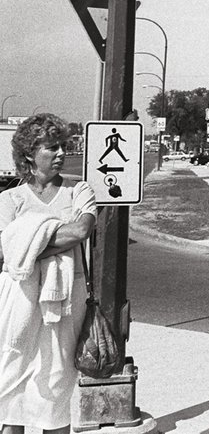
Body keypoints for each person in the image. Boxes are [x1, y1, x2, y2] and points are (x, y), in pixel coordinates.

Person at [0, 113, 99, 434]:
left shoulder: (78, 191)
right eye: (51, 148)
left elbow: (80, 231)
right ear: (29, 154)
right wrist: (50, 236)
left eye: (62, 147)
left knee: (55, 386)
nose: (61, 154)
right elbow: (4, 251)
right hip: (19, 302)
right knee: (12, 388)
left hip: (66, 303)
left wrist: (25, 244)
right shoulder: (9, 200)